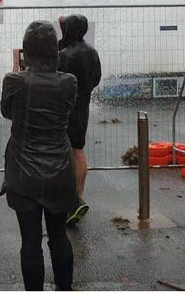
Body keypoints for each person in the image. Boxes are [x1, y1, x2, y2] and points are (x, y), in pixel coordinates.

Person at [1, 21, 79, 291]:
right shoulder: (69, 82)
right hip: (58, 170)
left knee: (30, 242)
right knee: (59, 237)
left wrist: (19, 73)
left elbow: (7, 112)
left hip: (23, 172)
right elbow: (66, 115)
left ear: (27, 51)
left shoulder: (14, 81)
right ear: (54, 50)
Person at [58, 14, 101, 226]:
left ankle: (70, 201)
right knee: (78, 150)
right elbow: (96, 79)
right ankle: (78, 195)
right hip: (83, 107)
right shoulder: (92, 52)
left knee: (64, 153)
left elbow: (56, 78)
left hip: (65, 109)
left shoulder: (64, 54)